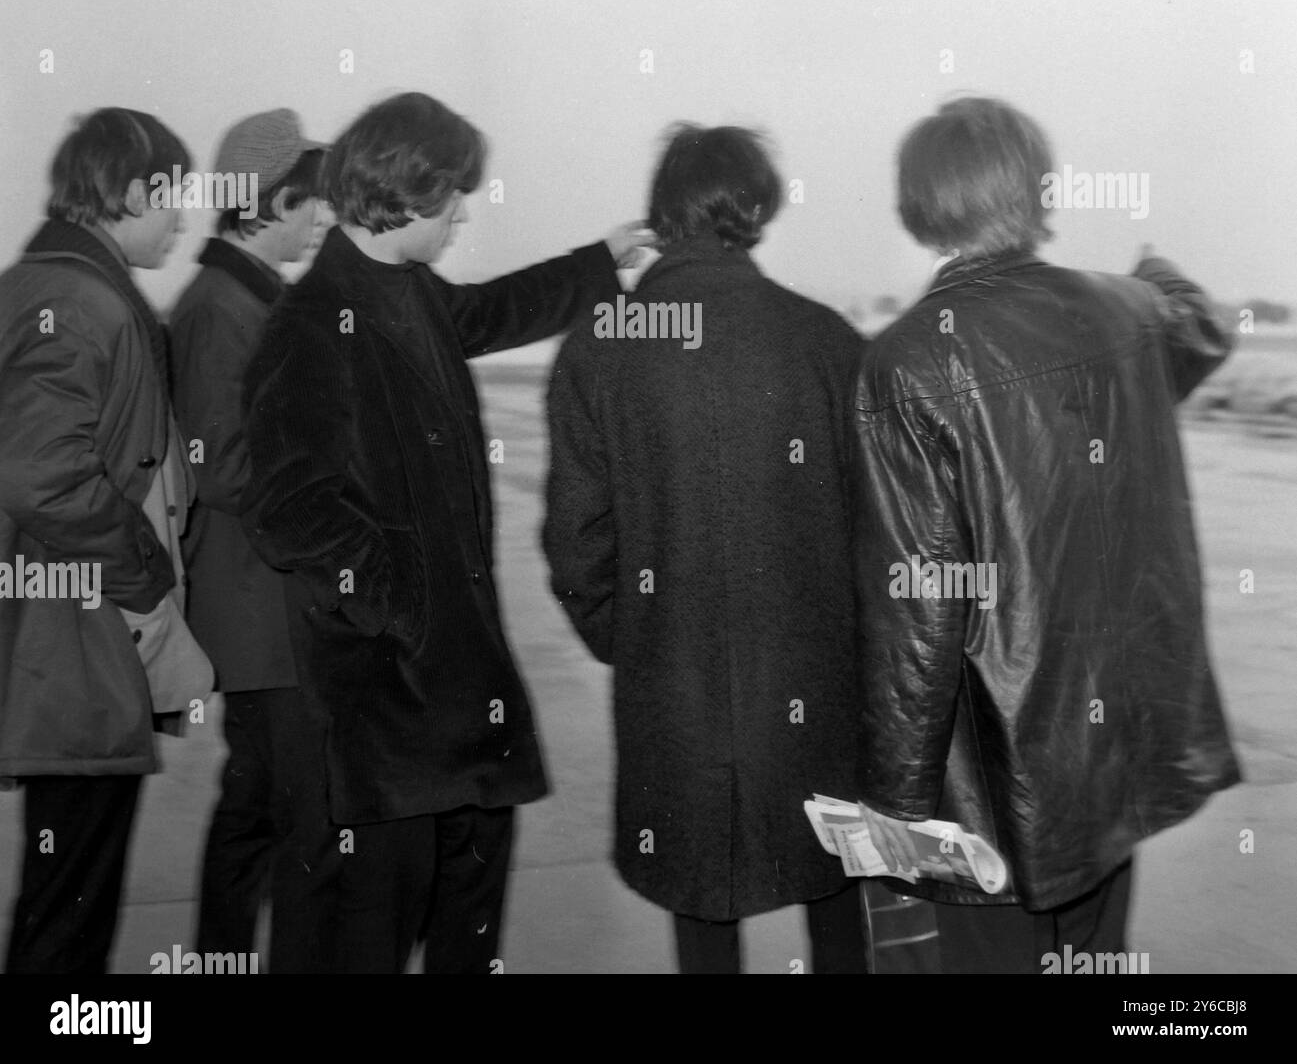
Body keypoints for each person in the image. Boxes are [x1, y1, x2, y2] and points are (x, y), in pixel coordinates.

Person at [241, 90, 650, 973]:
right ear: (405, 195)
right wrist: (404, 605)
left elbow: (490, 314)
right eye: (453, 194)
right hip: (387, 710)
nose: (465, 210)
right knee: (375, 938)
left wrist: (598, 261)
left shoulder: (404, 290)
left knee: (467, 927)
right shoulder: (308, 327)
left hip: (456, 701)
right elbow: (289, 509)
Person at [852, 95, 1241, 973]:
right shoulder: (1127, 316)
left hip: (993, 765)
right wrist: (1156, 266)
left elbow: (918, 606)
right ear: (1038, 192)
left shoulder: (905, 361)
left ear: (919, 204)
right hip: (1108, 745)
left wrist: (898, 806)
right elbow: (1200, 322)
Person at [543, 123, 871, 974]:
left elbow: (576, 545)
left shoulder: (600, 346)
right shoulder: (829, 343)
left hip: (672, 680)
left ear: (662, 214)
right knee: (834, 887)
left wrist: (631, 640)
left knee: (699, 896)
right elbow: (881, 530)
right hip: (813, 683)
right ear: (757, 208)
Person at [0, 108, 212, 973]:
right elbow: (38, 471)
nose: (184, 220)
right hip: (78, 642)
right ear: (130, 192)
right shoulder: (76, 300)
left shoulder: (44, 283)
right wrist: (142, 577)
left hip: (67, 637)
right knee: (71, 907)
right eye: (174, 200)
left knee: (65, 890)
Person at [169, 109, 329, 966]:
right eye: (309, 202)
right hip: (257, 609)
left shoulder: (245, 299)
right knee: (282, 810)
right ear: (263, 204)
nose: (321, 218)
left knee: (262, 804)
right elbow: (218, 465)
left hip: (267, 606)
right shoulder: (220, 310)